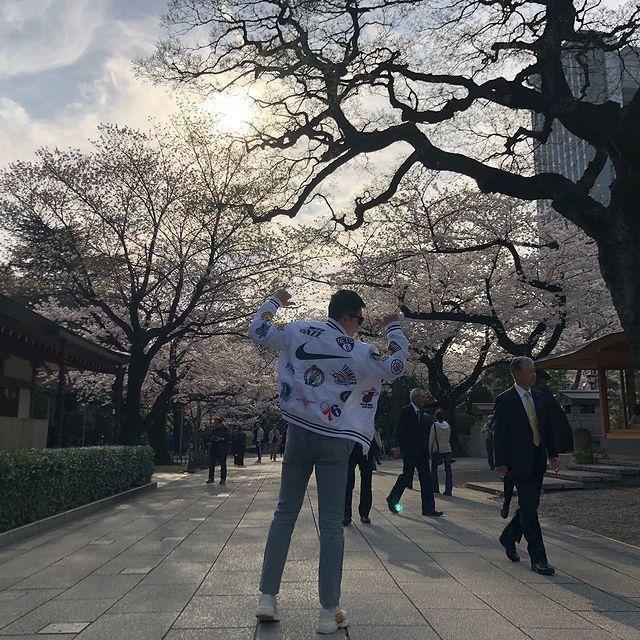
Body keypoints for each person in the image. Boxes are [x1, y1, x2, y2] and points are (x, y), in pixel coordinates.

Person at [249, 288, 408, 634]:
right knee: (332, 522)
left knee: (284, 512)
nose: (359, 327)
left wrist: (274, 301)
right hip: (335, 440)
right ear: (349, 318)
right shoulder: (358, 350)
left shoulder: (299, 330)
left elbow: (257, 330)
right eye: (360, 321)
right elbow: (396, 366)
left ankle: (267, 597)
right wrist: (394, 328)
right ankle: (328, 611)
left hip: (297, 433)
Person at [494, 356, 561, 576]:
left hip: (537, 458)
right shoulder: (505, 399)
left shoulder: (540, 397)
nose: (534, 375)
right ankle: (538, 559)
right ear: (517, 374)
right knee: (530, 511)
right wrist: (501, 462)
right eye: (530, 371)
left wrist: (553, 455)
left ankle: (508, 535)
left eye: (534, 371)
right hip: (518, 462)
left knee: (530, 506)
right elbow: (500, 433)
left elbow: (548, 428)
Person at [386, 389, 443, 518]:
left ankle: (428, 508)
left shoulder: (422, 413)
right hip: (410, 451)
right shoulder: (406, 411)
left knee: (427, 479)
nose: (424, 399)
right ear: (415, 398)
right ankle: (392, 498)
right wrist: (397, 446)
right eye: (422, 396)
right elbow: (399, 429)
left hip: (422, 451)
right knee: (406, 477)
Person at [343, 438, 380, 525]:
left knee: (366, 484)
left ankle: (364, 513)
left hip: (366, 446)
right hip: (351, 446)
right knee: (348, 484)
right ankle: (346, 514)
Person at [429, 408, 453, 496]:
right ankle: (448, 489)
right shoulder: (448, 426)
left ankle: (435, 488)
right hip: (447, 448)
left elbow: (431, 439)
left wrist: (430, 449)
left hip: (437, 449)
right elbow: (449, 437)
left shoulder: (434, 426)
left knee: (434, 469)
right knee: (448, 470)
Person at [207, 417, 230, 486]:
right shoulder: (213, 430)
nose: (215, 424)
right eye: (215, 423)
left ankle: (223, 478)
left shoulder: (225, 430)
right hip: (214, 448)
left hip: (222, 449)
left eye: (216, 423)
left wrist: (222, 439)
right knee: (211, 464)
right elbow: (209, 437)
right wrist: (212, 439)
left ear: (220, 423)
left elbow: (228, 437)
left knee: (223, 464)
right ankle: (211, 478)